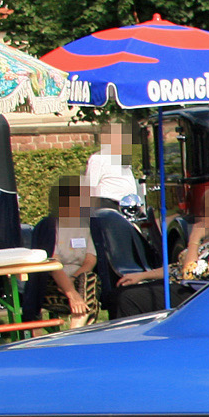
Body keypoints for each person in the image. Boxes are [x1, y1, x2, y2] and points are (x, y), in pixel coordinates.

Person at [27, 176, 98, 329]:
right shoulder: (50, 226)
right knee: (90, 292)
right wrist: (71, 292)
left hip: (79, 279)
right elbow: (53, 264)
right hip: (54, 283)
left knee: (88, 279)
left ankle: (78, 327)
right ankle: (80, 328)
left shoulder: (84, 225)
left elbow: (90, 260)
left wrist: (74, 278)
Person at [84, 122, 141, 208]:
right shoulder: (98, 158)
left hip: (128, 204)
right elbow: (90, 186)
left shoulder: (120, 157)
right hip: (109, 204)